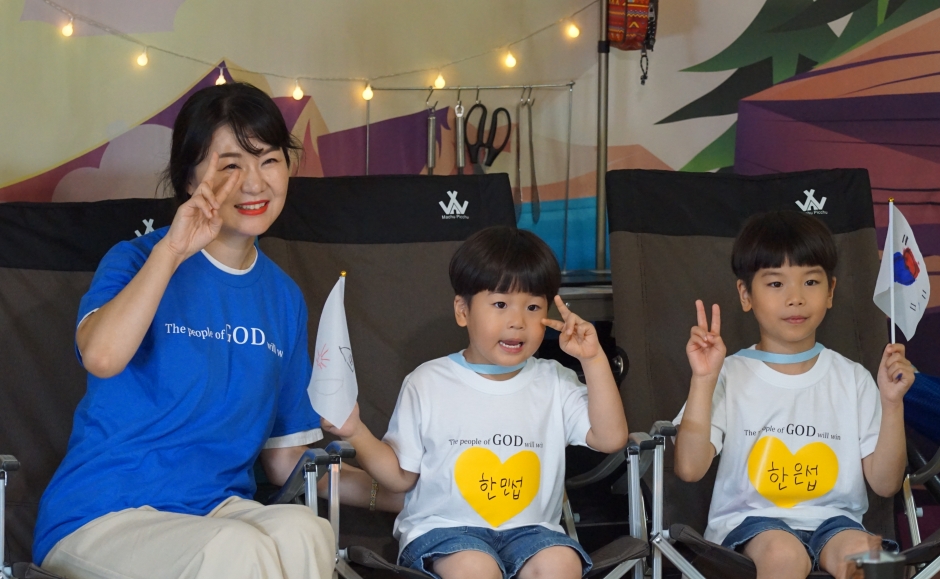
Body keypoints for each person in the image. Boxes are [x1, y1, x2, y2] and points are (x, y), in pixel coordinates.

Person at [33, 82, 400, 579]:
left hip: (214, 511)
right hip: (102, 514)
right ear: (190, 178)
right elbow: (101, 356)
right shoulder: (136, 259)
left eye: (268, 161)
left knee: (307, 532)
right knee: (236, 549)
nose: (254, 183)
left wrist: (392, 494)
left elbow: (286, 459)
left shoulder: (284, 297)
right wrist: (172, 251)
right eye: (230, 165)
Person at [321, 226, 629, 579]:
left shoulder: (554, 380)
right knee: (475, 567)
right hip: (444, 531)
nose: (518, 322)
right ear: (462, 310)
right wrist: (355, 432)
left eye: (533, 307)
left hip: (533, 532)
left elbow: (610, 438)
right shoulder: (428, 382)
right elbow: (400, 477)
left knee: (562, 563)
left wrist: (593, 359)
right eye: (500, 304)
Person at [672, 211, 915, 579]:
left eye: (811, 281)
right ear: (745, 294)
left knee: (872, 555)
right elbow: (689, 469)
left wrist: (892, 403)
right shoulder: (728, 374)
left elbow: (885, 483)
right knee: (785, 554)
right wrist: (703, 380)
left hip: (837, 524)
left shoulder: (853, 378)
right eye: (775, 283)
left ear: (830, 291)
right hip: (751, 525)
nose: (796, 298)